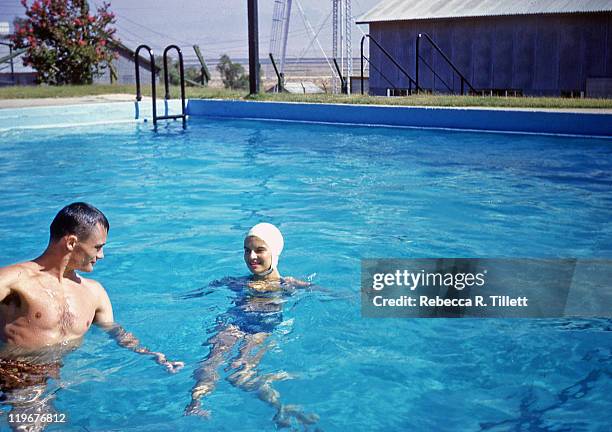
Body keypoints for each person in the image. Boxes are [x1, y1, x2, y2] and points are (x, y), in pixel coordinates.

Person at [0, 202, 183, 431]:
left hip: (58, 373)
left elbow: (115, 330)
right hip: (16, 373)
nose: (102, 255)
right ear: (71, 242)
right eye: (97, 247)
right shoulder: (16, 280)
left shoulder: (94, 292)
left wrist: (152, 354)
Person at [185, 222, 317, 428]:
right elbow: (200, 292)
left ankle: (279, 407)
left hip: (262, 328)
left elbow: (328, 293)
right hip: (233, 324)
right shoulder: (237, 282)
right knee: (209, 364)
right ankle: (195, 403)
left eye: (260, 250)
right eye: (247, 251)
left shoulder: (288, 284)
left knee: (239, 373)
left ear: (274, 252)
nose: (252, 257)